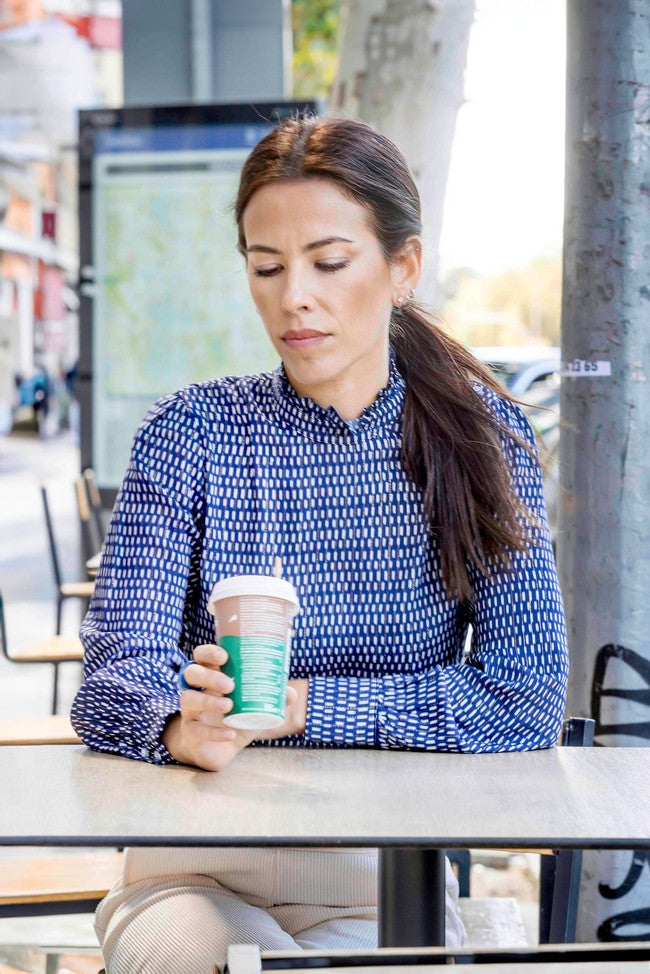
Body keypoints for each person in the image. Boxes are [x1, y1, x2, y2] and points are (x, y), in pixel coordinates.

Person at [71, 114, 569, 973]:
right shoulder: (190, 433)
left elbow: (523, 695)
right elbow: (111, 676)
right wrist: (174, 724)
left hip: (387, 879)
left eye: (329, 263)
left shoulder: (482, 443)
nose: (293, 295)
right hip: (190, 870)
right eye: (266, 268)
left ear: (402, 267)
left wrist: (300, 707)